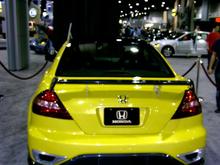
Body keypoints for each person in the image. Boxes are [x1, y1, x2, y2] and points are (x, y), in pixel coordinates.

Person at [208, 38, 220, 113]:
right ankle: (219, 106)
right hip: (219, 66)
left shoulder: (218, 41)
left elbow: (214, 55)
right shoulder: (218, 42)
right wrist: (210, 67)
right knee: (219, 87)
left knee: (219, 88)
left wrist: (210, 67)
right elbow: (213, 55)